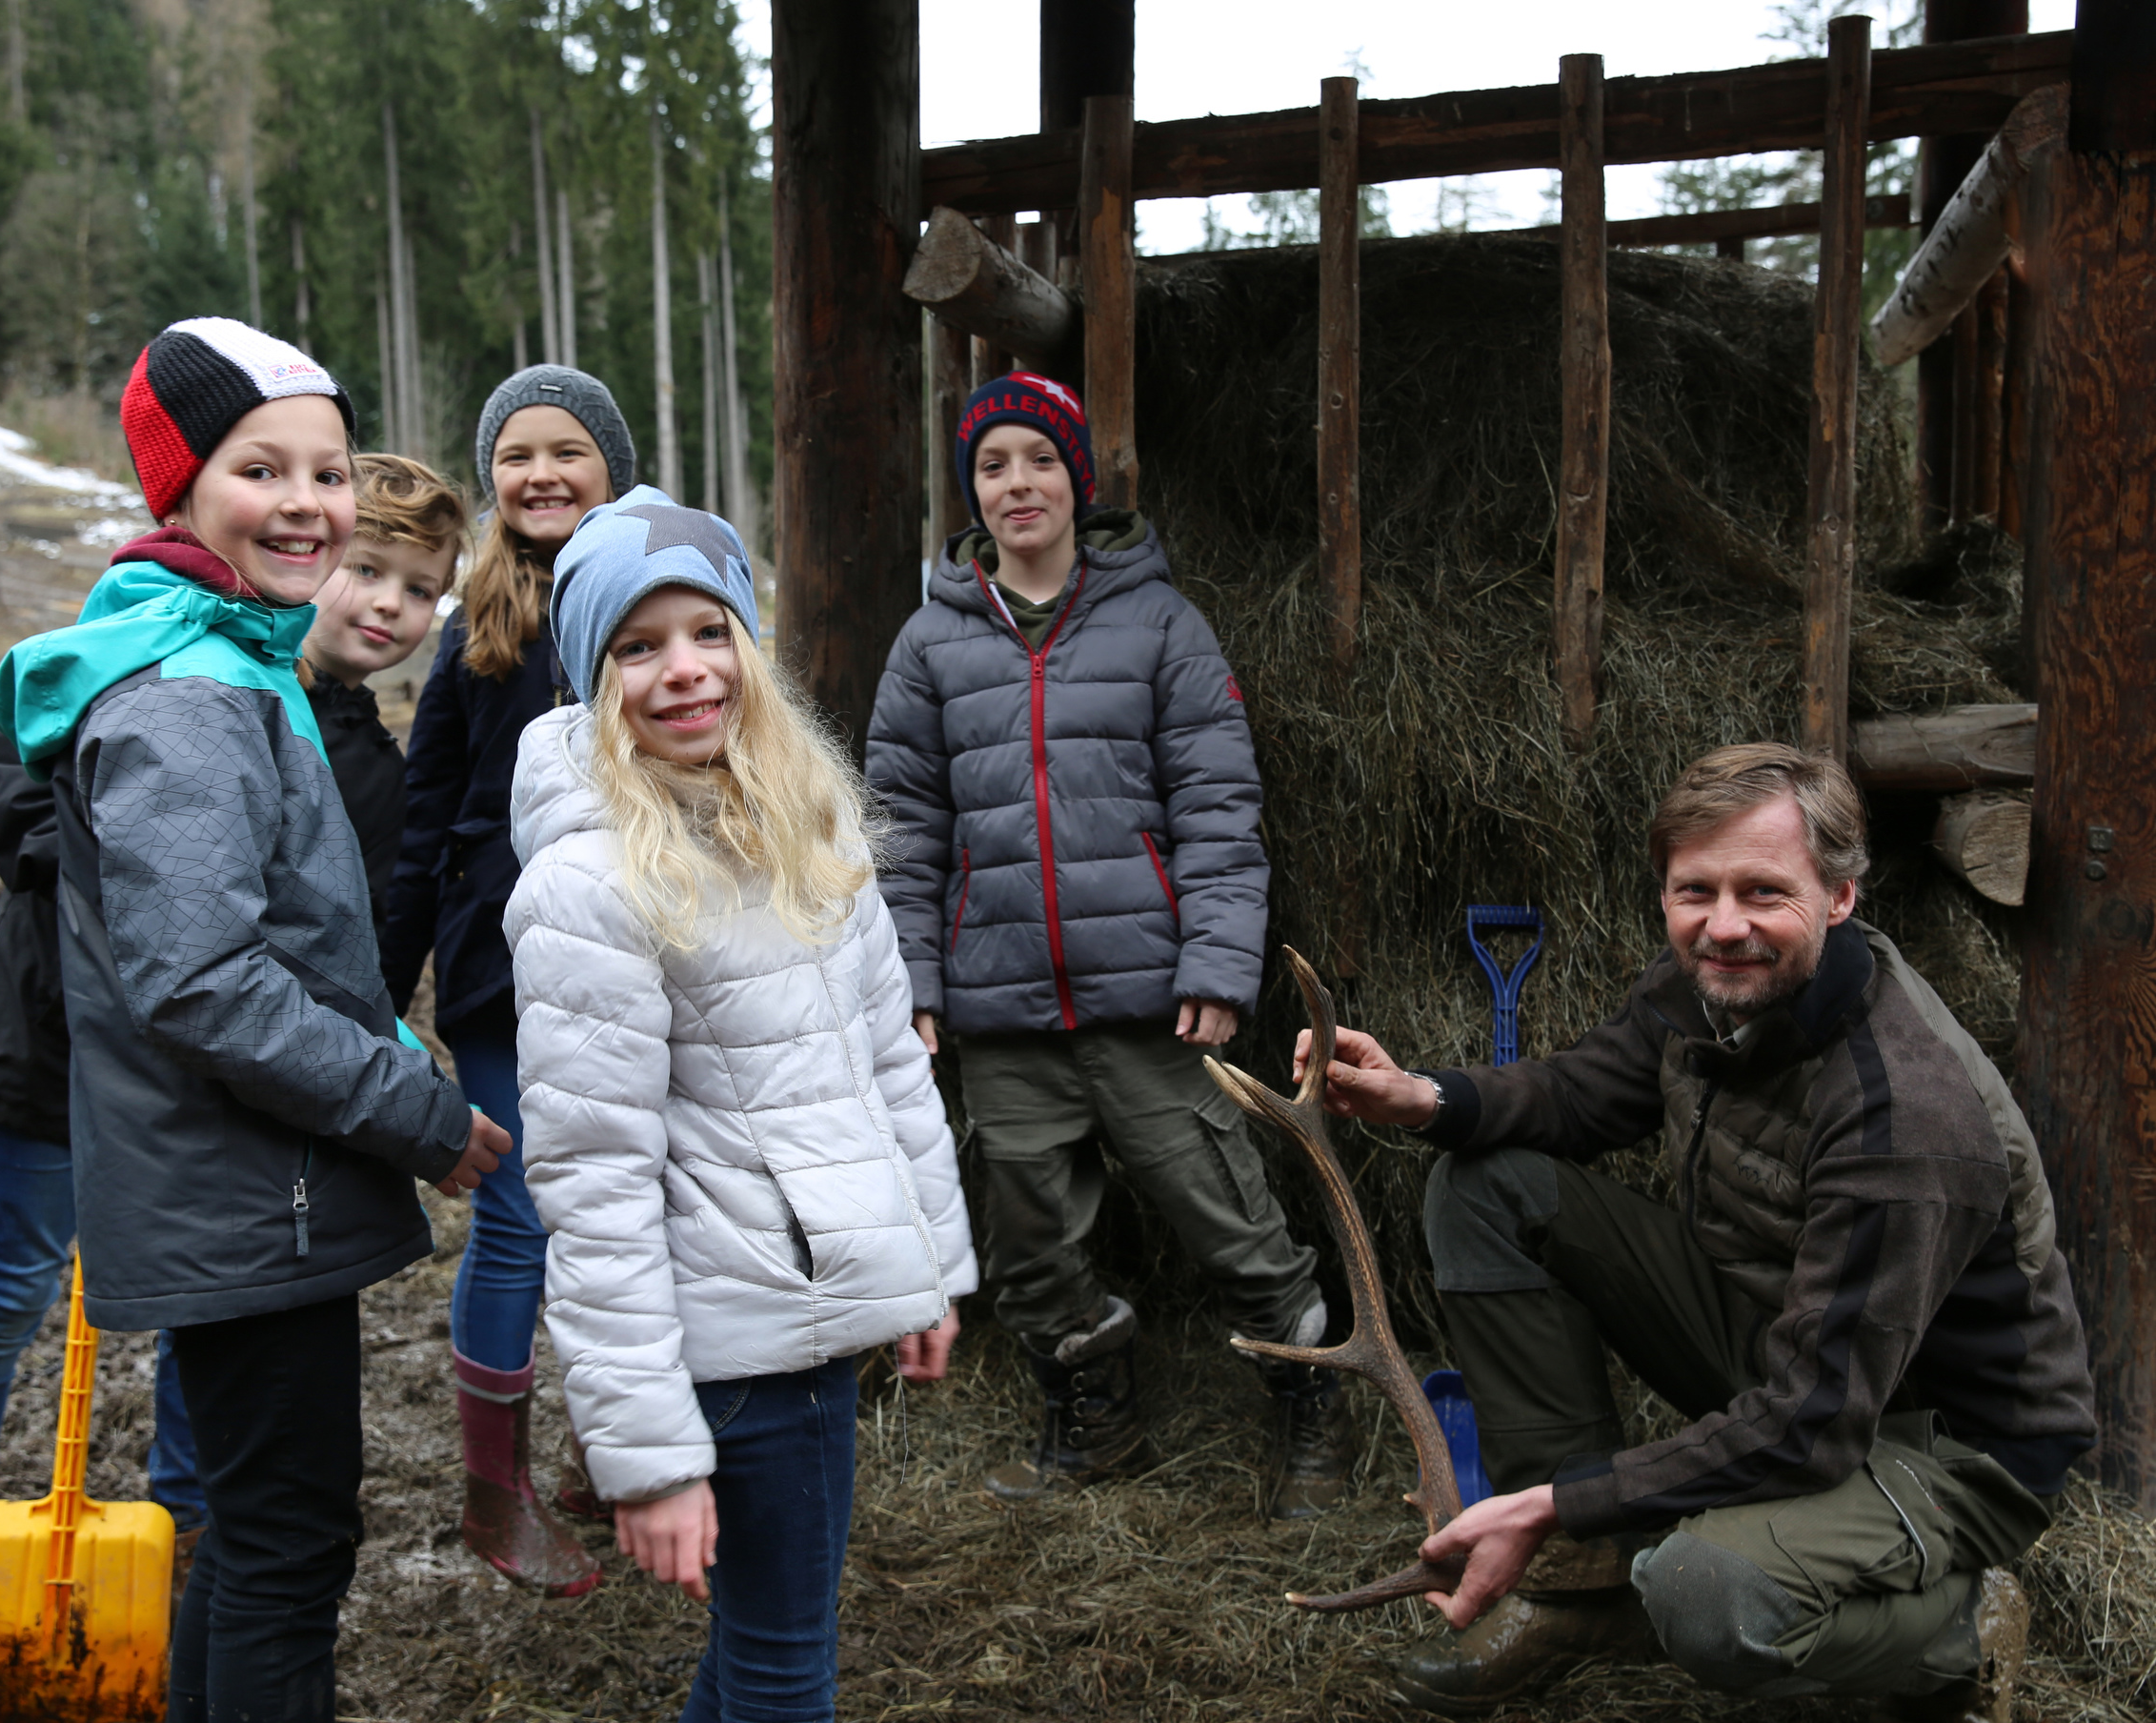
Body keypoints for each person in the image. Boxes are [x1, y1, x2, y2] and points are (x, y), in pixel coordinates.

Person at [1302, 743, 2095, 1718]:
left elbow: (1812, 1417)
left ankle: (1956, 1626)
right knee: (1484, 1184)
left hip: (1941, 1440)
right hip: (1789, 1343)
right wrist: (1419, 1096)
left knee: (1707, 1593)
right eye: (1694, 890)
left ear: (1840, 896)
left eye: (1764, 891)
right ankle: (1581, 1585)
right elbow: (1585, 1092)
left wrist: (1562, 1498)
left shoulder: (1902, 1113)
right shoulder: (1715, 989)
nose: (1723, 925)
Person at [0, 317, 509, 1721]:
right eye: (258, 468)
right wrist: (421, 1111)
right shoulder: (188, 699)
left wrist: (392, 1057)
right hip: (246, 1189)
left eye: (328, 473)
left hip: (245, 1183)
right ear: (180, 488)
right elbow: (203, 980)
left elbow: (293, 944)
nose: (306, 504)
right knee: (289, 1548)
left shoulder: (233, 655)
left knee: (250, 1534)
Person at [506, 488, 975, 1721]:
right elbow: (594, 1188)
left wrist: (927, 1270)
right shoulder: (589, 885)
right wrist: (653, 1463)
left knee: (766, 1657)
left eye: (707, 633)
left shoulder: (806, 826)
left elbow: (883, 1065)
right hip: (730, 1353)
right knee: (782, 1673)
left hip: (806, 1323)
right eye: (636, 647)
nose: (682, 671)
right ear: (593, 679)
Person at [863, 371, 1350, 1519]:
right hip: (1000, 1006)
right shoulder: (930, 642)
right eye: (992, 466)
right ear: (971, 493)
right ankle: (1095, 1420)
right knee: (1030, 1236)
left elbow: (1219, 806)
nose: (1017, 483)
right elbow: (900, 831)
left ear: (1077, 481)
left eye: (1039, 460)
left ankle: (1314, 1407)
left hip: (1149, 1000)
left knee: (1231, 1217)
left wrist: (1220, 965)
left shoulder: (1159, 624)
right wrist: (916, 980)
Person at [382, 366, 636, 1595]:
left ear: (611, 467)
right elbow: (424, 812)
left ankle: (612, 1449)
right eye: (516, 453)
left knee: (629, 1205)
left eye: (566, 450)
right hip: (501, 970)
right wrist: (383, 997)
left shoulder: (656, 600)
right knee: (522, 1213)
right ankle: (498, 1492)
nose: (540, 473)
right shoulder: (476, 629)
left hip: (639, 958)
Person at [0, 724, 206, 1652]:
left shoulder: (259, 675)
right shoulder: (72, 668)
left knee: (199, 1285)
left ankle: (187, 1524)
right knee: (4, 1282)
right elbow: (7, 772)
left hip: (187, 1053)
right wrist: (92, 850)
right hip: (47, 1026)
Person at [299, 451, 462, 934]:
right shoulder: (242, 700)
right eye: (367, 570)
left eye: (419, 590)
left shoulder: (380, 764)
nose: (390, 603)